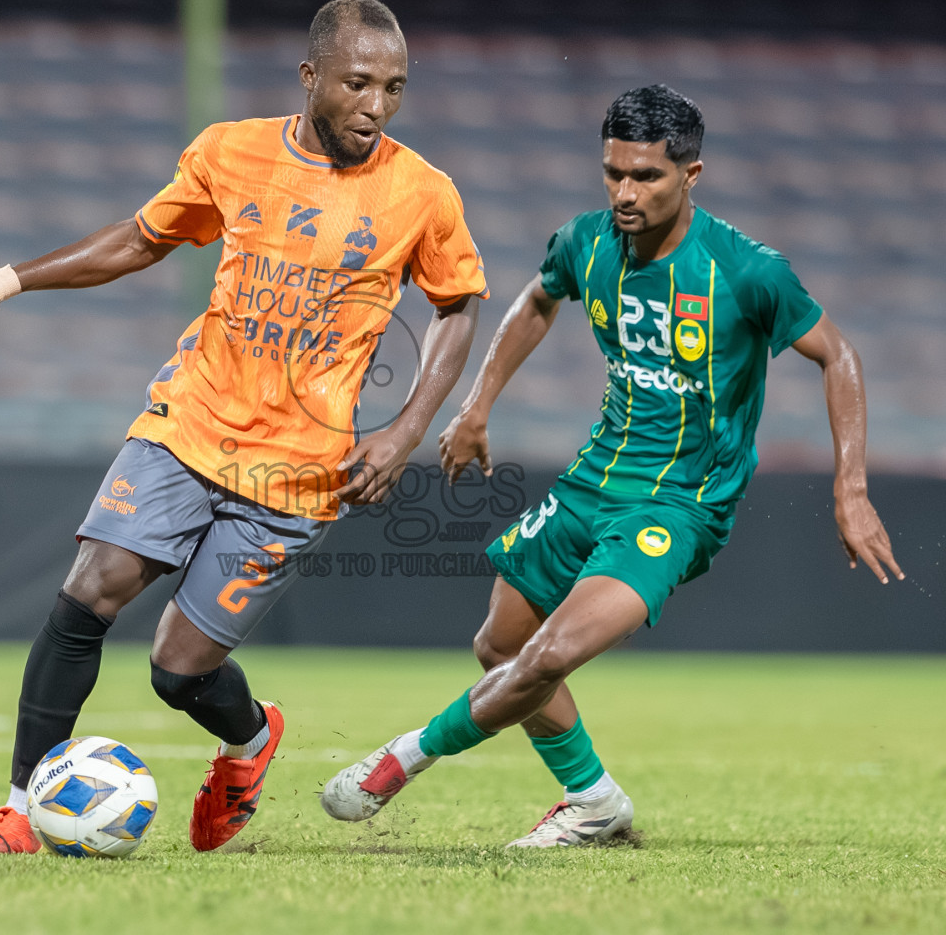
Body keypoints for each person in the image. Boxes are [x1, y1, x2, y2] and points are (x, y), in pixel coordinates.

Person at [0, 0, 488, 854]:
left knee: (178, 671)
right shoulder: (230, 151)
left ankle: (249, 742)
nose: (376, 106)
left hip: (295, 473)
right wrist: (2, 283)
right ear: (310, 77)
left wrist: (406, 429)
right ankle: (20, 812)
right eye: (357, 84)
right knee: (92, 588)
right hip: (188, 423)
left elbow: (457, 305)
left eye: (394, 88)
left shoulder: (423, 193)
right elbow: (139, 240)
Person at [320, 84, 903, 848]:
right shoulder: (584, 242)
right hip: (590, 482)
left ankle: (403, 757)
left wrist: (850, 488)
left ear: (690, 175)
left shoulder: (745, 270)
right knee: (500, 648)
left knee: (549, 655)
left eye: (646, 177)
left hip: (676, 506)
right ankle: (593, 801)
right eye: (613, 173)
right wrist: (477, 404)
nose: (625, 193)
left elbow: (838, 355)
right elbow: (535, 300)